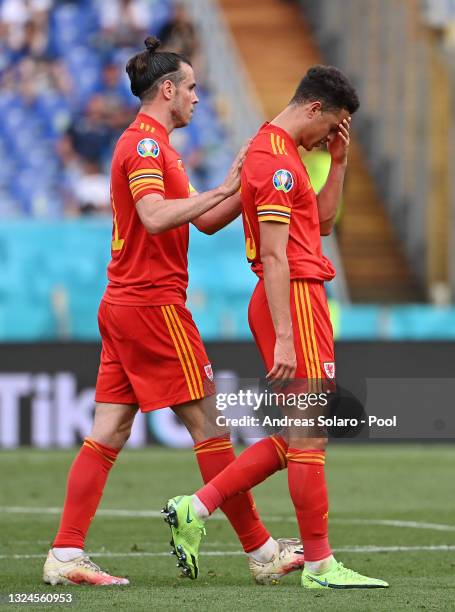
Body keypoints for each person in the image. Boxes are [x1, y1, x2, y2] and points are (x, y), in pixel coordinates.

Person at [43, 36, 304, 587]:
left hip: (124, 304)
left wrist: (247, 187)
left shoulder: (161, 147)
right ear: (167, 89)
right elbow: (157, 216)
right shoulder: (143, 146)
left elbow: (204, 219)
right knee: (210, 428)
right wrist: (225, 187)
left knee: (108, 431)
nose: (197, 99)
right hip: (153, 305)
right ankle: (261, 551)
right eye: (191, 88)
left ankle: (65, 553)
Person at [163, 66, 389, 590]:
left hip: (301, 295)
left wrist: (339, 163)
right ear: (314, 108)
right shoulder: (274, 160)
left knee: (294, 437)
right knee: (310, 437)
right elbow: (273, 254)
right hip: (294, 298)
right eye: (332, 127)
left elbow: (323, 225)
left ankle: (195, 508)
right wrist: (287, 333)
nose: (330, 137)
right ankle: (320, 565)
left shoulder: (287, 156)